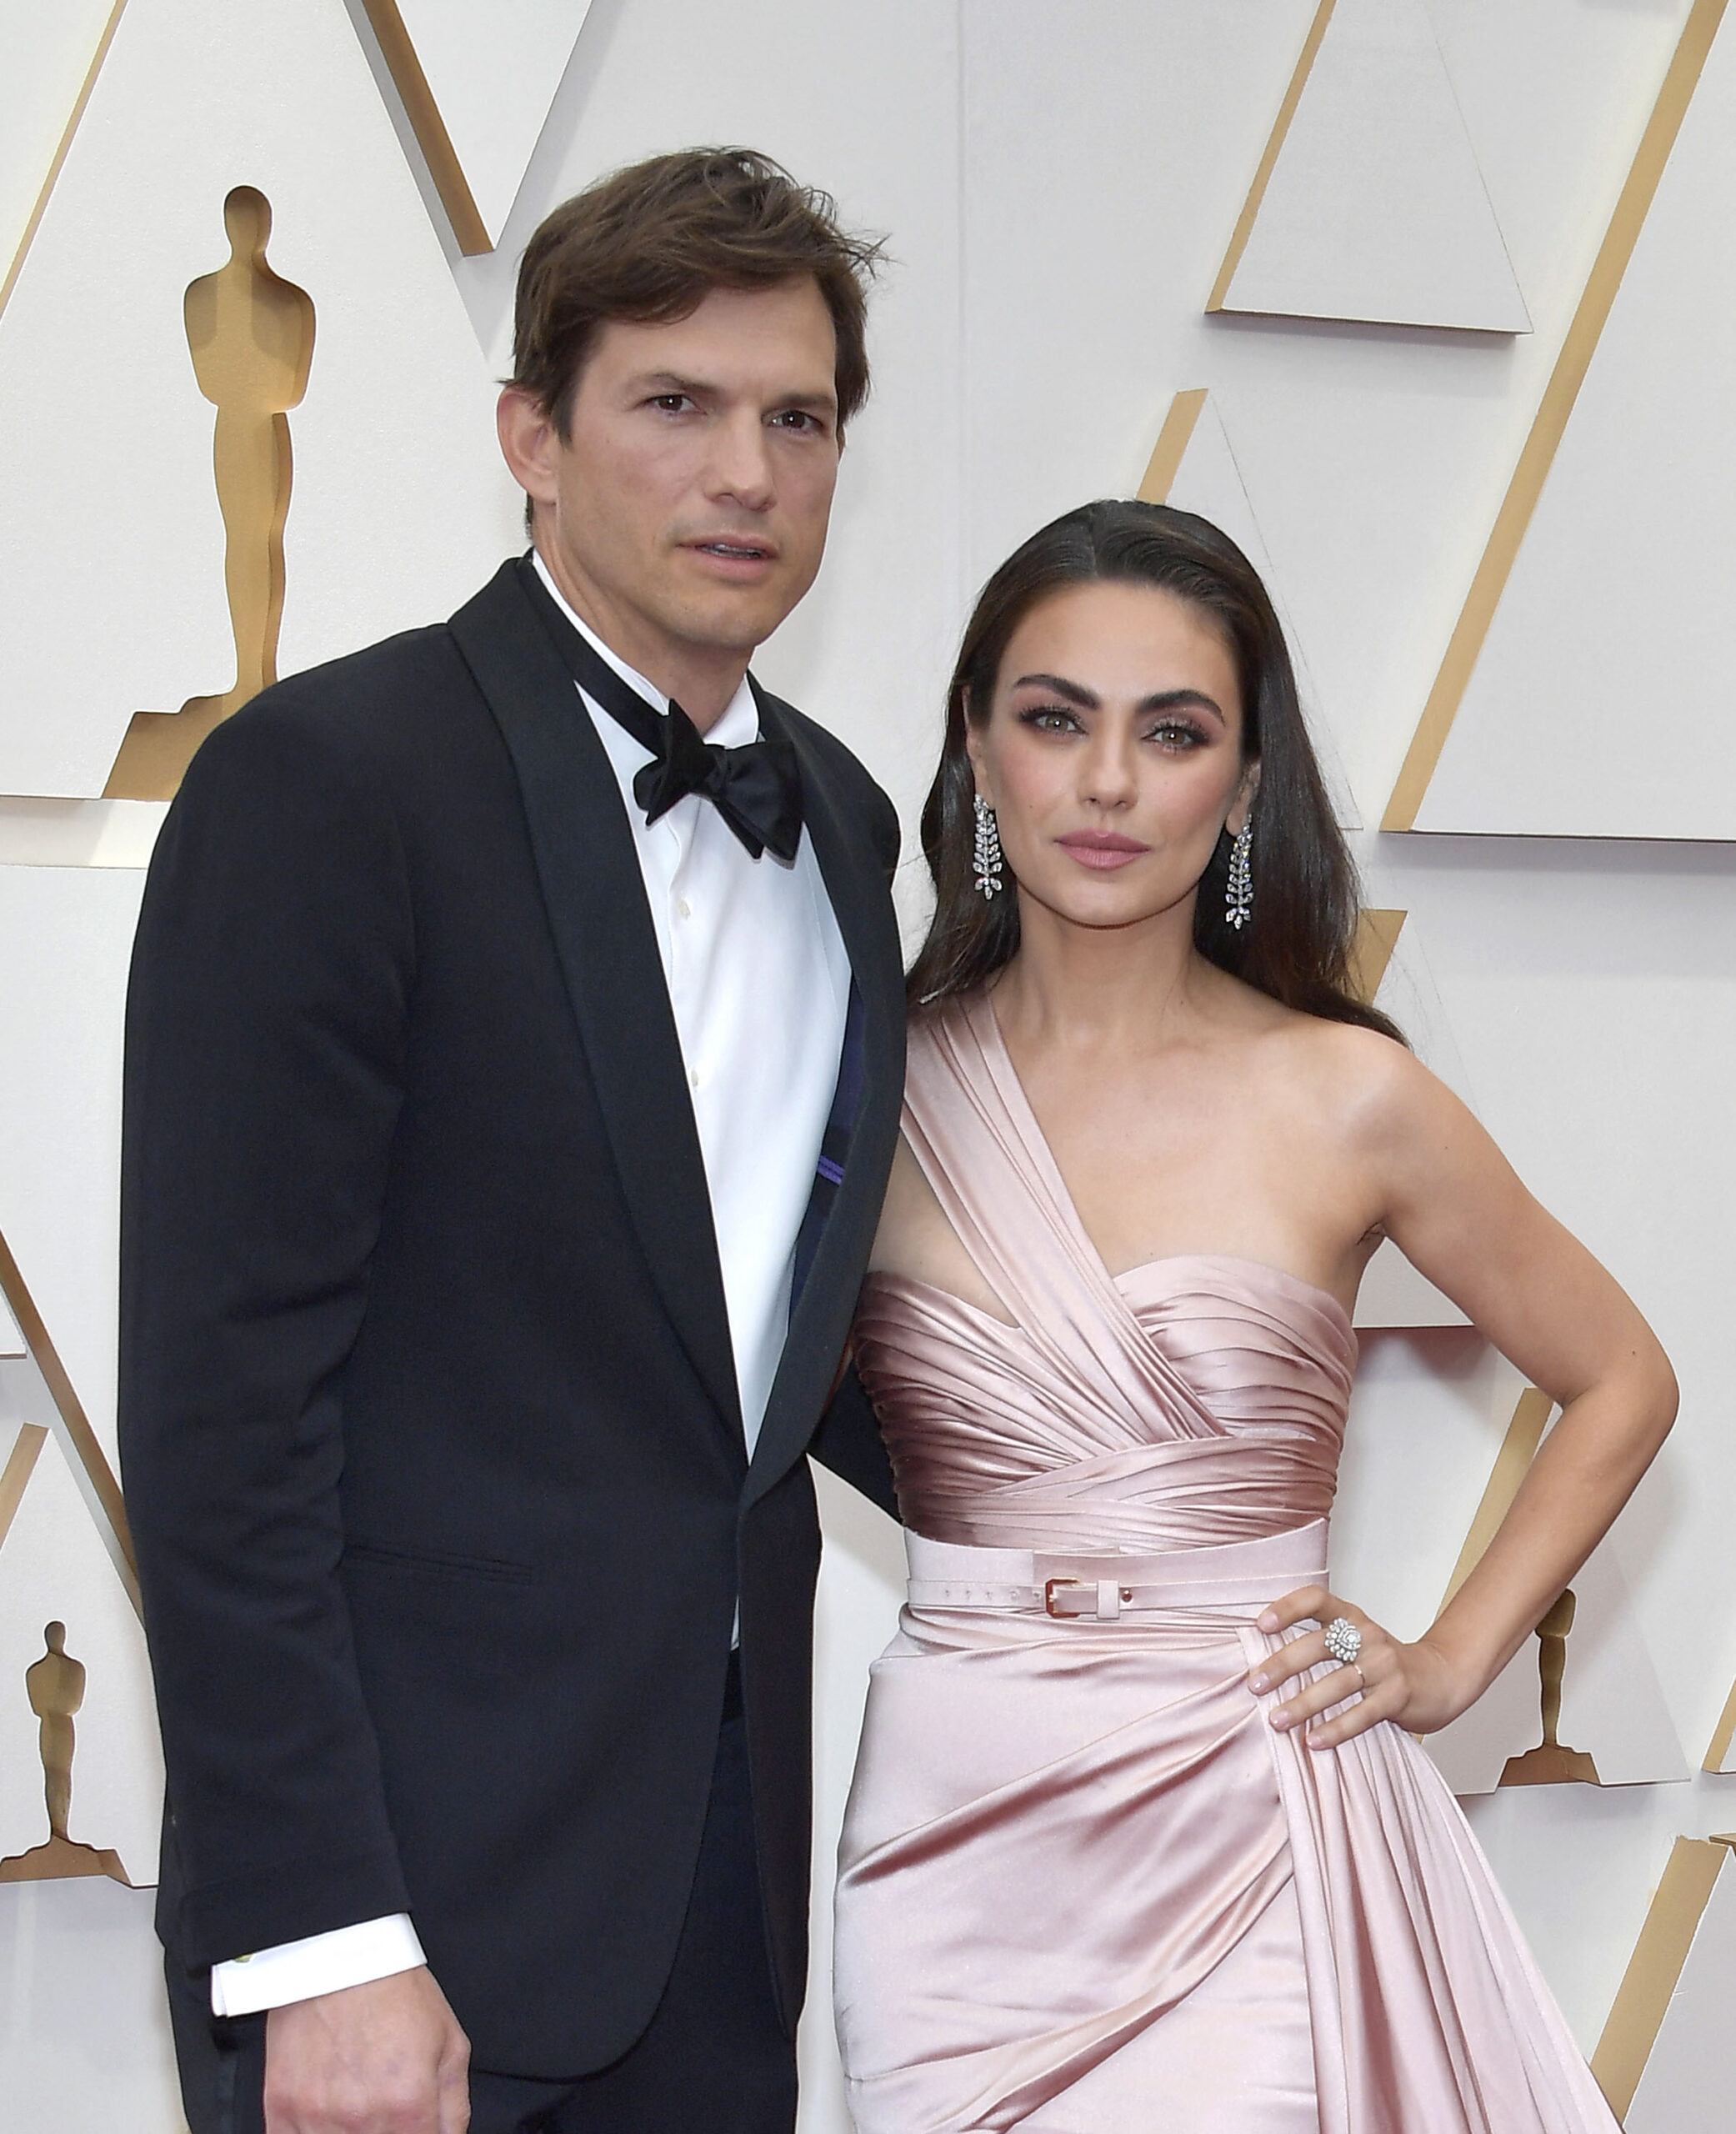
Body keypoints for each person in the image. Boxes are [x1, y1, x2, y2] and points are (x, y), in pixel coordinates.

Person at [118, 147, 906, 2134]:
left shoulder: (846, 817)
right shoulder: (328, 783)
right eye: (676, 404)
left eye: (795, 417)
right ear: (529, 440)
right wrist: (321, 1935)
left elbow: (768, 1343)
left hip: (722, 1902)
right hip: (404, 1911)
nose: (746, 471)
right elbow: (224, 1417)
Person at [832, 498, 1676, 2130]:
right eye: (1054, 718)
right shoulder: (873, 1086)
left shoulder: (1346, 1094)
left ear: (1244, 782)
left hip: (1247, 1804)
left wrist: (1444, 1660)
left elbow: (1622, 1375)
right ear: (977, 750)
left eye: (1173, 731)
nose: (1105, 782)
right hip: (955, 1840)